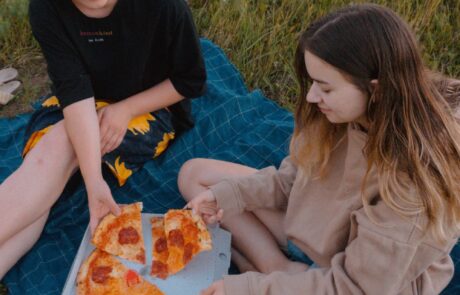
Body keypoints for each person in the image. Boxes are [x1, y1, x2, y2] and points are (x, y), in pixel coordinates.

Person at [179, 4, 460, 294]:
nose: (312, 97)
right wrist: (225, 196)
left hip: (360, 279)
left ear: (376, 90)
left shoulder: (413, 183)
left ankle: (273, 273)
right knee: (195, 175)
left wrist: (249, 288)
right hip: (314, 234)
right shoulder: (337, 117)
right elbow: (291, 181)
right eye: (313, 82)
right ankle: (280, 269)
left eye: (326, 88)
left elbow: (358, 288)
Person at [0, 0, 205, 279]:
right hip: (80, 100)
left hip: (149, 107)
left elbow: (189, 82)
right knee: (49, 165)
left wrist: (127, 109)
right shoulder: (46, 7)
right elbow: (74, 90)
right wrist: (93, 182)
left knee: (52, 159)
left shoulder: (165, 5)